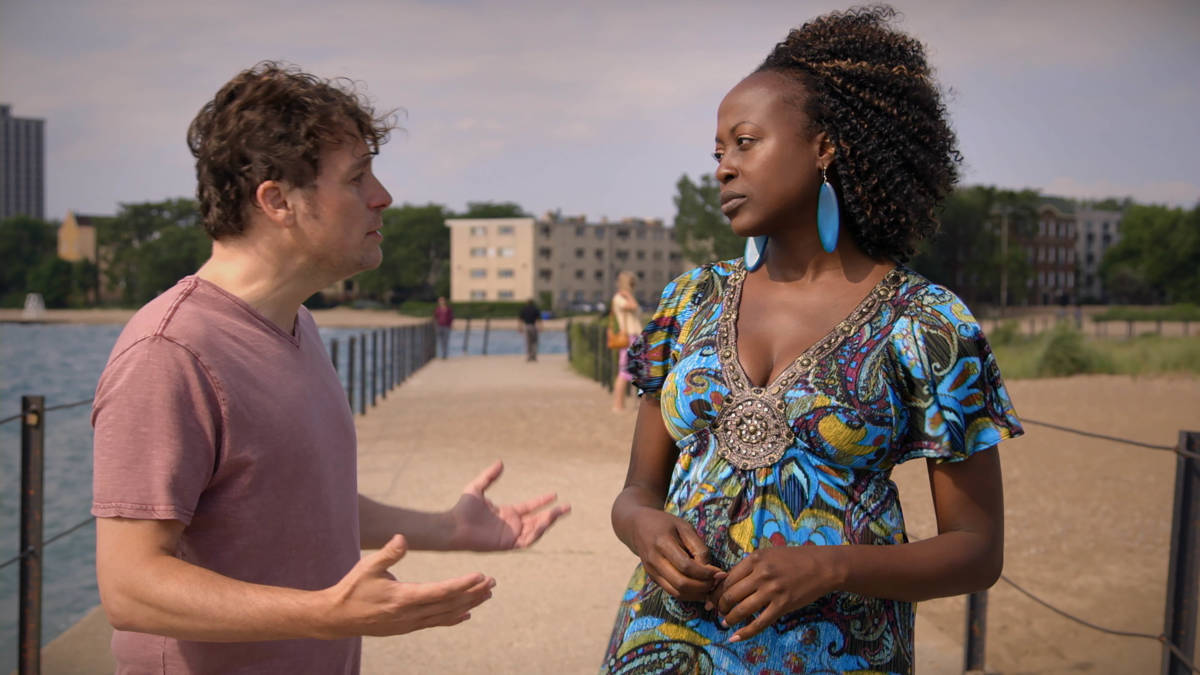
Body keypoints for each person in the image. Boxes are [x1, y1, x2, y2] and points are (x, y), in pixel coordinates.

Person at [90, 62, 569, 674]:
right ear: (277, 201)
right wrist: (325, 613)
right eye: (357, 177)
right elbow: (130, 587)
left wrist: (449, 528)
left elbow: (300, 503)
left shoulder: (298, 324)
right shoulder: (169, 353)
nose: (383, 197)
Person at [603, 8, 1023, 674]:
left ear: (825, 146)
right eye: (718, 152)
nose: (723, 169)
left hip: (840, 655)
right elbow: (636, 491)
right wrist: (644, 528)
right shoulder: (688, 303)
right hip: (662, 646)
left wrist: (831, 565)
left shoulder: (927, 323)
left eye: (745, 142)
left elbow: (976, 550)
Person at [610, 271, 641, 412]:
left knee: (633, 371)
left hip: (634, 336)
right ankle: (618, 404)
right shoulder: (620, 298)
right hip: (628, 337)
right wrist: (628, 295)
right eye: (631, 284)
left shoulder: (624, 298)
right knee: (624, 372)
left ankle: (622, 404)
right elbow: (633, 306)